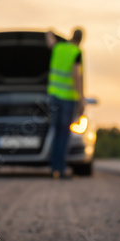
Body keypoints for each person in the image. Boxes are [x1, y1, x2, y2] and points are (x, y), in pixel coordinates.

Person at [46, 28, 85, 179]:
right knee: (64, 134)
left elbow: (50, 41)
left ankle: (53, 168)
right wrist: (81, 99)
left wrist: (49, 32)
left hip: (54, 96)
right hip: (68, 99)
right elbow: (76, 75)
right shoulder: (76, 52)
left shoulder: (59, 47)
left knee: (55, 133)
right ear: (81, 40)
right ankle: (60, 170)